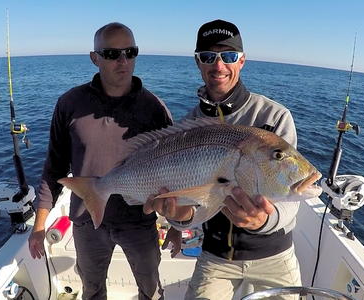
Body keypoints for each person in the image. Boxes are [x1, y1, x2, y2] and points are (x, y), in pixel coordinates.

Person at [144, 19, 300, 300]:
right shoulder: (188, 127)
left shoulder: (274, 117)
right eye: (208, 57)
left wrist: (263, 220)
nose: (218, 65)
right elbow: (190, 209)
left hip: (274, 256)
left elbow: (290, 193)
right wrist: (180, 219)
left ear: (242, 61)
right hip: (215, 257)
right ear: (198, 63)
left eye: (228, 56)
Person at [28, 22, 172, 300]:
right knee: (92, 291)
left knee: (152, 290)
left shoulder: (154, 108)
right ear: (94, 58)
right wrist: (39, 226)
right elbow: (54, 167)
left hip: (139, 221)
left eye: (130, 52)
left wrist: (176, 228)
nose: (123, 60)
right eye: (111, 54)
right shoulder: (70, 104)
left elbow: (172, 171)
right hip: (85, 221)